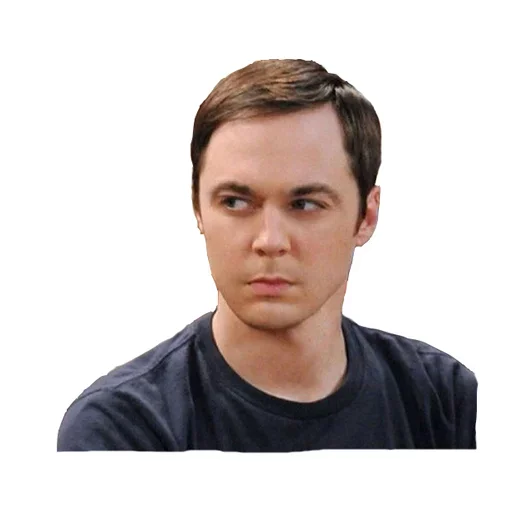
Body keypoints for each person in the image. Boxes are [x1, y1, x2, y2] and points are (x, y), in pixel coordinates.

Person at [57, 59, 477, 451]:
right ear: (197, 208)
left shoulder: (446, 403)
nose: (270, 240)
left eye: (305, 204)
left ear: (366, 216)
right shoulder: (122, 430)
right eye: (236, 202)